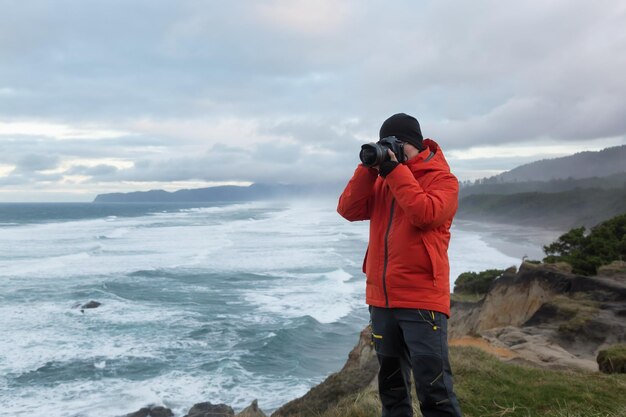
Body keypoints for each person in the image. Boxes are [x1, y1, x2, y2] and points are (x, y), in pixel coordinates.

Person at [337, 113, 463, 417]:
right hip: (382, 300)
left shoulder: (443, 180)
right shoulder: (382, 181)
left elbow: (425, 214)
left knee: (434, 391)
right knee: (391, 391)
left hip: (422, 301)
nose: (388, 149)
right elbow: (348, 209)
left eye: (391, 144)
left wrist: (394, 171)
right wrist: (369, 168)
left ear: (410, 144)